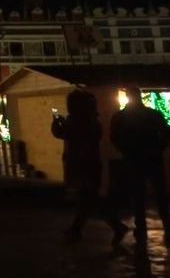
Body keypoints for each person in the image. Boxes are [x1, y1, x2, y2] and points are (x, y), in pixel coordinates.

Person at [50, 90, 128, 246]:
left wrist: (57, 122)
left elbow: (61, 133)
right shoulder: (93, 121)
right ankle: (78, 229)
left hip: (80, 164)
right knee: (87, 198)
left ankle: (114, 226)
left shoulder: (76, 122)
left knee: (89, 199)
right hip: (91, 164)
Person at [110, 86, 170, 247]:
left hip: (133, 160)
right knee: (160, 195)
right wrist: (157, 148)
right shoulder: (153, 114)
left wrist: (126, 150)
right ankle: (168, 228)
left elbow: (114, 138)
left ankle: (141, 229)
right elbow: (168, 135)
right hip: (153, 159)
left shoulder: (120, 117)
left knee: (137, 196)